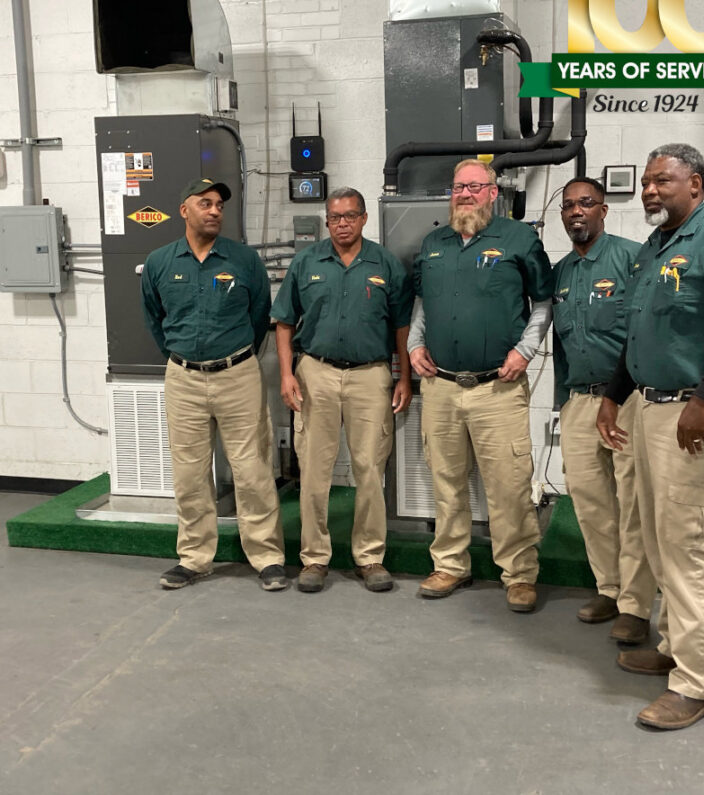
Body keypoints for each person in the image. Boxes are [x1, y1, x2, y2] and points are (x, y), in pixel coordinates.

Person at [597, 144, 704, 730]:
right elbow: (638, 334)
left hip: (695, 417)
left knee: (688, 542)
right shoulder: (655, 248)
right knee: (656, 534)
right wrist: (612, 397)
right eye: (646, 182)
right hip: (650, 410)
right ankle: (672, 645)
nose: (650, 190)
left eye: (662, 181)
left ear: (696, 183)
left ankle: (697, 685)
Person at [409, 159, 554, 613]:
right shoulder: (433, 244)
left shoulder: (519, 239)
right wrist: (414, 345)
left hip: (498, 388)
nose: (465, 194)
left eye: (475, 186)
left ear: (494, 192)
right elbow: (422, 303)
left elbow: (544, 301)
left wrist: (525, 351)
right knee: (446, 481)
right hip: (442, 388)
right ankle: (450, 564)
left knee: (509, 484)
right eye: (458, 187)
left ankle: (519, 573)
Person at [141, 178, 288, 592]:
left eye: (220, 205)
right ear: (184, 210)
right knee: (189, 474)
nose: (215, 211)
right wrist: (182, 356)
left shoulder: (243, 261)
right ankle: (193, 558)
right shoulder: (159, 262)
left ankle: (266, 556)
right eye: (205, 204)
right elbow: (155, 319)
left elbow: (260, 316)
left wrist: (234, 357)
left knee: (252, 469)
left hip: (238, 374)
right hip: (183, 378)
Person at [271, 187, 412, 594]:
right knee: (315, 470)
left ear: (364, 218)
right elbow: (283, 322)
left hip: (371, 376)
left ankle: (369, 557)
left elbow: (401, 325)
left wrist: (402, 376)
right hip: (316, 373)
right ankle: (314, 558)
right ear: (327, 220)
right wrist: (286, 375)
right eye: (335, 217)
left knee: (369, 469)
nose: (342, 223)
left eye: (350, 216)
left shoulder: (385, 264)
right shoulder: (306, 262)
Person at [552, 176, 656, 643]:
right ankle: (609, 589)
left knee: (632, 503)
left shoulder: (633, 258)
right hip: (578, 401)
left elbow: (645, 331)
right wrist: (562, 403)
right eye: (569, 205)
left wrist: (624, 396)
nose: (577, 212)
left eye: (586, 204)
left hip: (627, 402)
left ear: (604, 210)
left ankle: (635, 606)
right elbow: (559, 346)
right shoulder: (561, 274)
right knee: (592, 505)